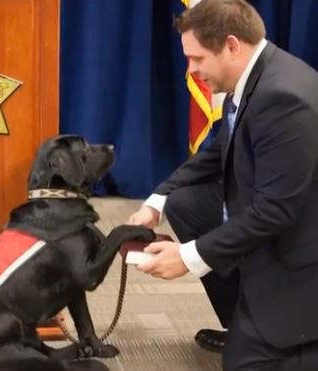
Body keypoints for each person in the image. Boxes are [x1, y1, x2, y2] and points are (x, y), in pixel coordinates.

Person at [129, 0, 318, 369]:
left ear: (232, 45)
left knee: (243, 363)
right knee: (184, 203)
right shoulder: (258, 75)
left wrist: (187, 257)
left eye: (197, 58)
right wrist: (158, 200)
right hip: (278, 228)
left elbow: (275, 211)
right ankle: (245, 315)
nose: (192, 70)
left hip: (303, 259)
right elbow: (220, 150)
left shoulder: (284, 100)